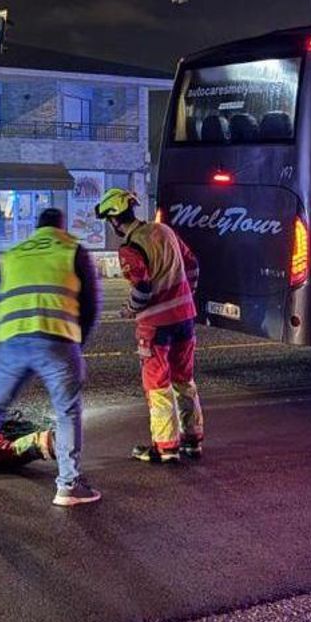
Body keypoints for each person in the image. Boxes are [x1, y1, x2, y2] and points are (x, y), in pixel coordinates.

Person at [0, 208, 101, 506]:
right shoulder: (72, 249)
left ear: (36, 229)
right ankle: (68, 486)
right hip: (56, 338)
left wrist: (3, 340)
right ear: (60, 227)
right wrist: (78, 343)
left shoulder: (13, 253)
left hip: (13, 339)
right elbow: (89, 304)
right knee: (67, 411)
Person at [95, 187, 204, 463]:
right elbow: (192, 264)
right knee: (184, 380)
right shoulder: (164, 231)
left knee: (158, 384)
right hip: (185, 319)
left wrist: (128, 310)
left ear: (114, 219)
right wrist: (185, 296)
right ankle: (192, 439)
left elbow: (142, 290)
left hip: (156, 326)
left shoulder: (130, 248)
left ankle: (166, 446)